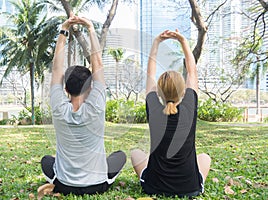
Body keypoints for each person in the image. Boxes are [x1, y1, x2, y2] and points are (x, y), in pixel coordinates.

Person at [40, 14, 126, 195]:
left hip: (65, 185)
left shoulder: (58, 107)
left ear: (65, 88)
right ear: (90, 87)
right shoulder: (96, 107)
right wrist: (91, 29)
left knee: (47, 161)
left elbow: (56, 68)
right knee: (120, 156)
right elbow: (98, 64)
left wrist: (64, 29)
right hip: (98, 185)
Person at [130, 29, 211, 198]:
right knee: (205, 158)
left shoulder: (153, 107)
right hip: (189, 188)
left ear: (159, 93)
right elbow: (192, 72)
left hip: (154, 187)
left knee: (136, 153)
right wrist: (182, 41)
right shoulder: (190, 106)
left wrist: (156, 42)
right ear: (183, 92)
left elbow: (150, 74)